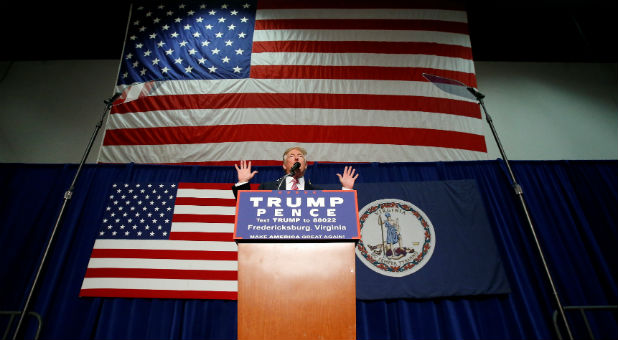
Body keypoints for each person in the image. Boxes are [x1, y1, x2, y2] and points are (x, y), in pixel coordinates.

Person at [232, 146, 358, 197]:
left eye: (300, 156)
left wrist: (347, 190)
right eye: (291, 156)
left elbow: (339, 216)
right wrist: (243, 183)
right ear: (284, 165)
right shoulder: (268, 187)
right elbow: (248, 211)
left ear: (306, 165)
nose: (297, 158)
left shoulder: (318, 192)